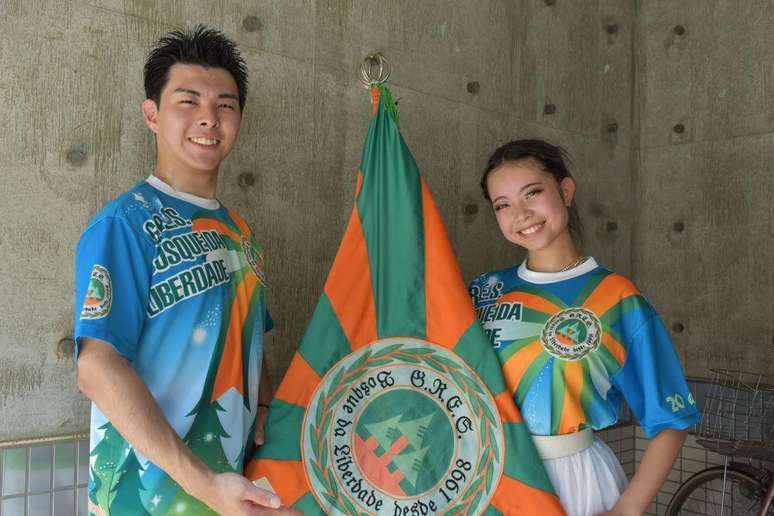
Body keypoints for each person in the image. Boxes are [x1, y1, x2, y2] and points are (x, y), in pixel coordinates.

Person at [74, 26, 299, 515]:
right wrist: (205, 485)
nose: (208, 119)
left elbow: (253, 336)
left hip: (230, 493)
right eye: (188, 101)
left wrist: (262, 406)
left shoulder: (240, 230)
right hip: (146, 500)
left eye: (225, 104)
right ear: (151, 114)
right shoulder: (125, 223)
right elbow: (96, 367)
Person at [469, 139, 700, 516]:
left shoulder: (617, 298)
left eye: (532, 193)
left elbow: (672, 420)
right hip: (490, 477)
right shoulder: (482, 292)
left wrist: (628, 509)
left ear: (565, 191)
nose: (521, 214)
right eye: (503, 205)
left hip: (575, 484)